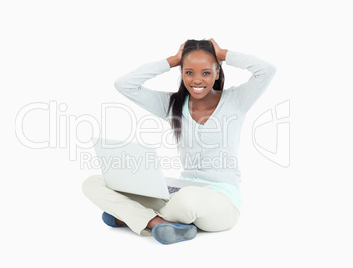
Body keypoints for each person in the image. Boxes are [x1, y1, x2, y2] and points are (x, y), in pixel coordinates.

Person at [82, 38, 276, 245]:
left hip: (220, 200)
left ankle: (131, 216)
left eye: (206, 72)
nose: (197, 80)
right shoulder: (172, 104)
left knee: (187, 201)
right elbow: (124, 85)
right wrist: (173, 60)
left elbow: (267, 70)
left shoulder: (236, 100)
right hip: (179, 190)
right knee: (93, 182)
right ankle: (157, 222)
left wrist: (224, 53)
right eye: (189, 72)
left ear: (218, 72)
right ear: (181, 72)